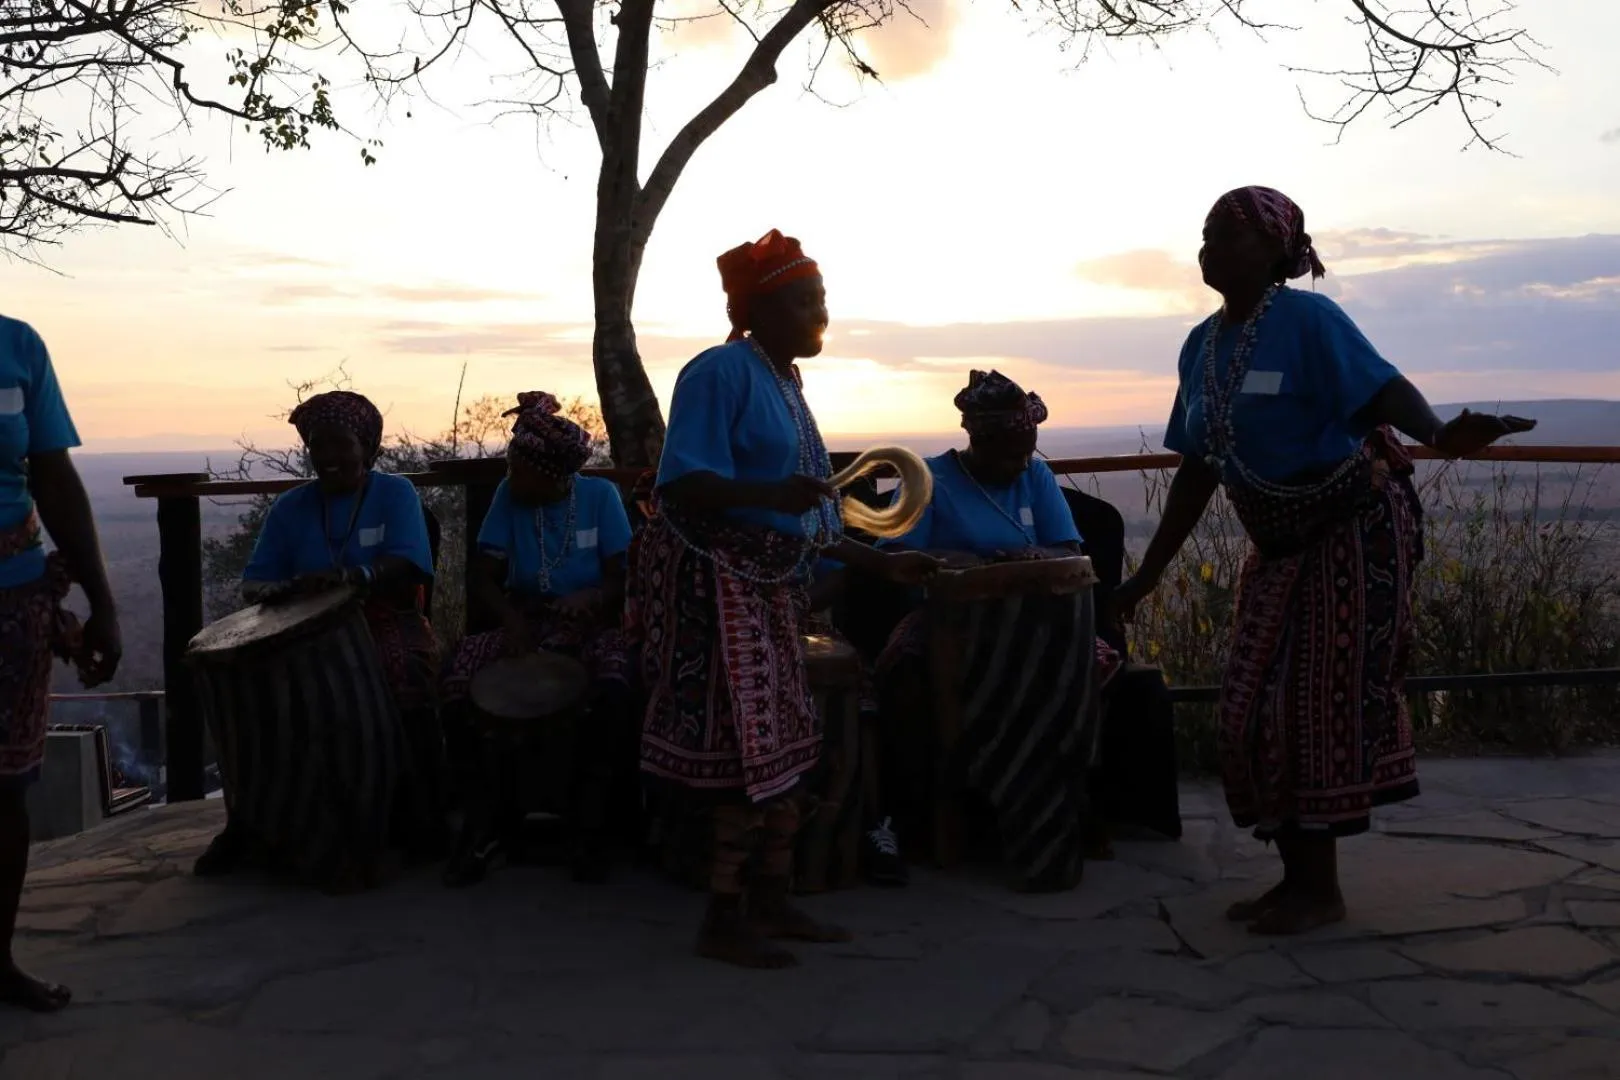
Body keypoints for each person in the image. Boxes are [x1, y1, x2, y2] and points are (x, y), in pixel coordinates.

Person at [1113, 186, 1535, 935]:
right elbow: (1198, 468)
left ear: (1277, 250)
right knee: (1249, 704)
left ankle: (1317, 889)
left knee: (1309, 707)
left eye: (1230, 235)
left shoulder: (1308, 319)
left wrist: (1437, 435)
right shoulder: (1201, 346)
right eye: (1206, 234)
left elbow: (1382, 391)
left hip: (1355, 529)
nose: (1210, 247)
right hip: (1278, 544)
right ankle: (1296, 878)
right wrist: (1146, 577)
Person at [631, 229, 938, 969]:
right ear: (761, 308)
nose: (820, 313)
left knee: (789, 744)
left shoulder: (785, 382)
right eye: (806, 300)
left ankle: (770, 899)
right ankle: (723, 917)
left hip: (765, 589)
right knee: (746, 755)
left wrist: (883, 563)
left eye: (821, 299)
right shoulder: (720, 371)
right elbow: (682, 484)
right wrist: (769, 492)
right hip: (714, 585)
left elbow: (809, 514)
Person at [862, 370, 1121, 888]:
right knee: (908, 669)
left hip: (1038, 621)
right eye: (1009, 452)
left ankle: (1064, 803)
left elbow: (1067, 549)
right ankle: (923, 812)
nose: (1022, 463)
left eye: (1028, 451)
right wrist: (978, 562)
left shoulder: (1034, 475)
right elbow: (896, 555)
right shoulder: (929, 479)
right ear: (976, 439)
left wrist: (1029, 560)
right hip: (948, 621)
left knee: (1095, 662)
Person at [199, 390, 444, 876]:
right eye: (318, 446)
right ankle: (256, 822)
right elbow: (254, 581)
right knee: (248, 691)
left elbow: (411, 565)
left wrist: (356, 578)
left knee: (405, 675)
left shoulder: (394, 493)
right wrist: (289, 589)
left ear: (368, 449)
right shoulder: (291, 508)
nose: (329, 457)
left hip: (384, 617)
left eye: (341, 444)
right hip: (300, 630)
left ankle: (418, 817)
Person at [440, 391, 633, 886]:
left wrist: (590, 596)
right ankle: (484, 824)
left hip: (589, 623)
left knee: (613, 688)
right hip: (524, 618)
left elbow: (621, 574)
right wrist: (508, 618)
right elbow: (484, 574)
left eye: (519, 470)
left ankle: (591, 825)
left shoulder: (599, 498)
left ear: (554, 474)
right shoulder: (509, 496)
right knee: (458, 686)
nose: (510, 478)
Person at [0, 316, 120, 1012]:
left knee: (4, 791)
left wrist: (101, 602)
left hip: (13, 602)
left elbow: (52, 473)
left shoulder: (18, 348)